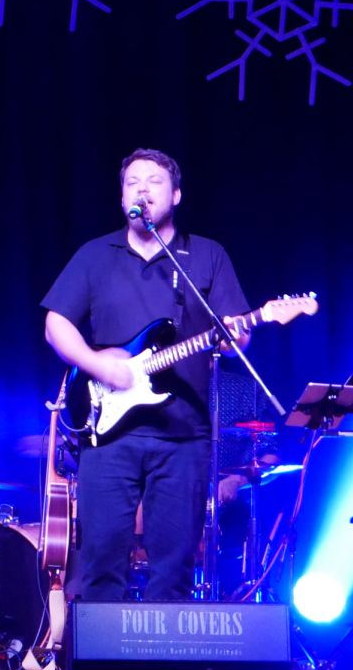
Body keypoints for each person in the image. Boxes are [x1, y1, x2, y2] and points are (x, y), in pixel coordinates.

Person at [42, 148, 251, 601]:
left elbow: (236, 338)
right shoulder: (96, 255)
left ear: (175, 194)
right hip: (108, 434)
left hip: (184, 437)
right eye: (132, 182)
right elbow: (55, 324)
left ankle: (166, 652)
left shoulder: (206, 256)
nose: (142, 189)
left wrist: (239, 333)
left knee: (173, 574)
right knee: (101, 569)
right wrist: (99, 364)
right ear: (122, 198)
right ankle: (101, 651)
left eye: (154, 181)